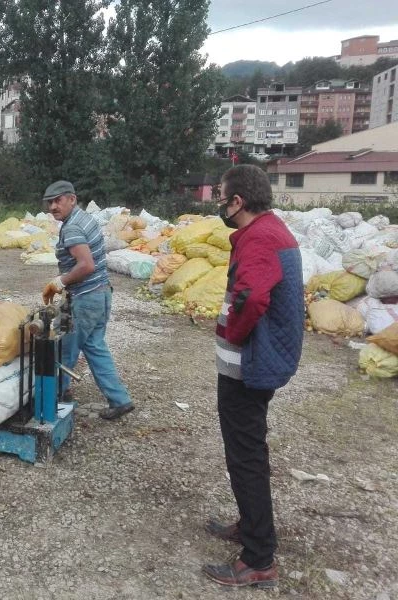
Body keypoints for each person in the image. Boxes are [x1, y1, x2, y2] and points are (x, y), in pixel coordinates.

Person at [202, 165, 304, 589]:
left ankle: (259, 557)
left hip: (251, 366)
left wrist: (231, 331)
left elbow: (252, 298)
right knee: (248, 450)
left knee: (246, 456)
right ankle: (250, 524)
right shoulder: (269, 230)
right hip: (257, 361)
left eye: (221, 196)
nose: (219, 204)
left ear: (237, 201)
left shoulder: (260, 237)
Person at [41, 180, 135, 420]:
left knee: (64, 350)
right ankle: (120, 399)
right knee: (95, 347)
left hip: (85, 298)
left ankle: (54, 398)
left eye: (58, 200)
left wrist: (60, 281)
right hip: (101, 294)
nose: (53, 206)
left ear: (72, 199)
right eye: (49, 202)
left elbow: (86, 265)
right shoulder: (85, 218)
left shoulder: (72, 227)